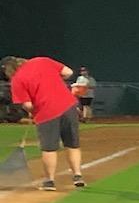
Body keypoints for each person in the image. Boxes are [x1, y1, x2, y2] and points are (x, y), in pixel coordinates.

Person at [4, 53, 85, 189]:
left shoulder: (17, 80)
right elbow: (68, 72)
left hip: (46, 112)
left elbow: (28, 104)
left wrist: (32, 112)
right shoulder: (41, 61)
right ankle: (77, 176)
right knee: (72, 144)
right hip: (68, 106)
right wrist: (55, 80)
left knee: (49, 148)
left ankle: (49, 181)